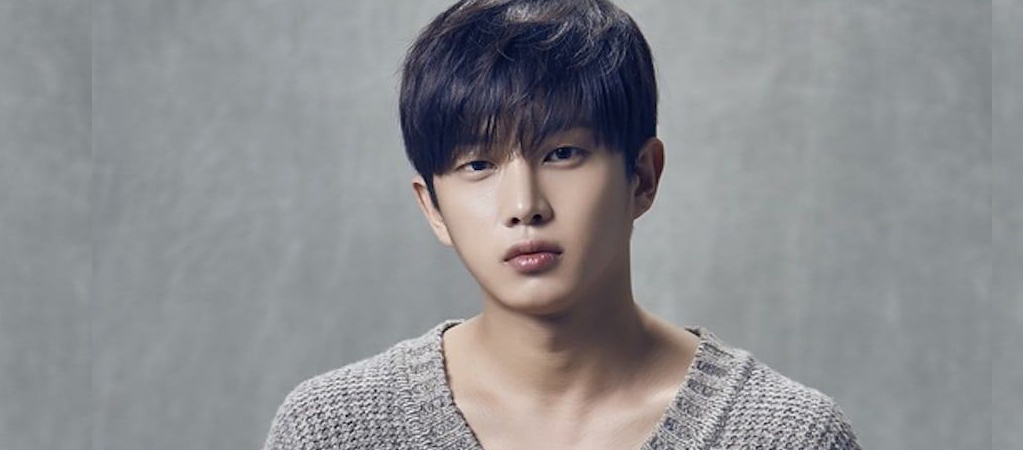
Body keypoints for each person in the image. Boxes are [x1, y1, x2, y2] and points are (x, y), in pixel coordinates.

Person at [262, 1, 861, 449]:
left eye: (563, 153)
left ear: (642, 177)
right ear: (433, 208)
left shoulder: (786, 435)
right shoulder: (332, 430)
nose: (525, 204)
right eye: (478, 165)